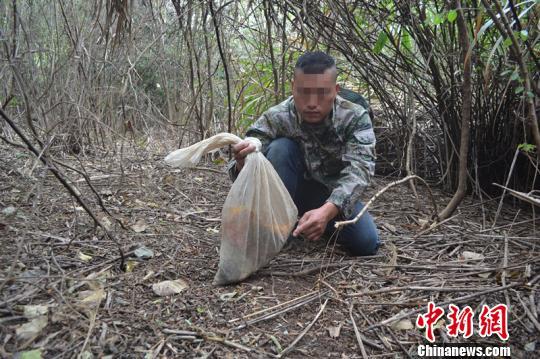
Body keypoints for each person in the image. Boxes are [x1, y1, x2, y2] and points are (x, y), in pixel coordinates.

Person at [228, 51, 379, 256]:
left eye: (322, 93)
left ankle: (313, 220)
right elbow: (248, 151)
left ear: (335, 90)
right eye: (304, 92)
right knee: (280, 148)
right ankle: (277, 228)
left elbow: (360, 169)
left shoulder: (354, 117)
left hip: (331, 195)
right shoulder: (279, 115)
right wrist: (242, 160)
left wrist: (327, 211)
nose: (311, 103)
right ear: (293, 88)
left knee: (366, 243)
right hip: (286, 192)